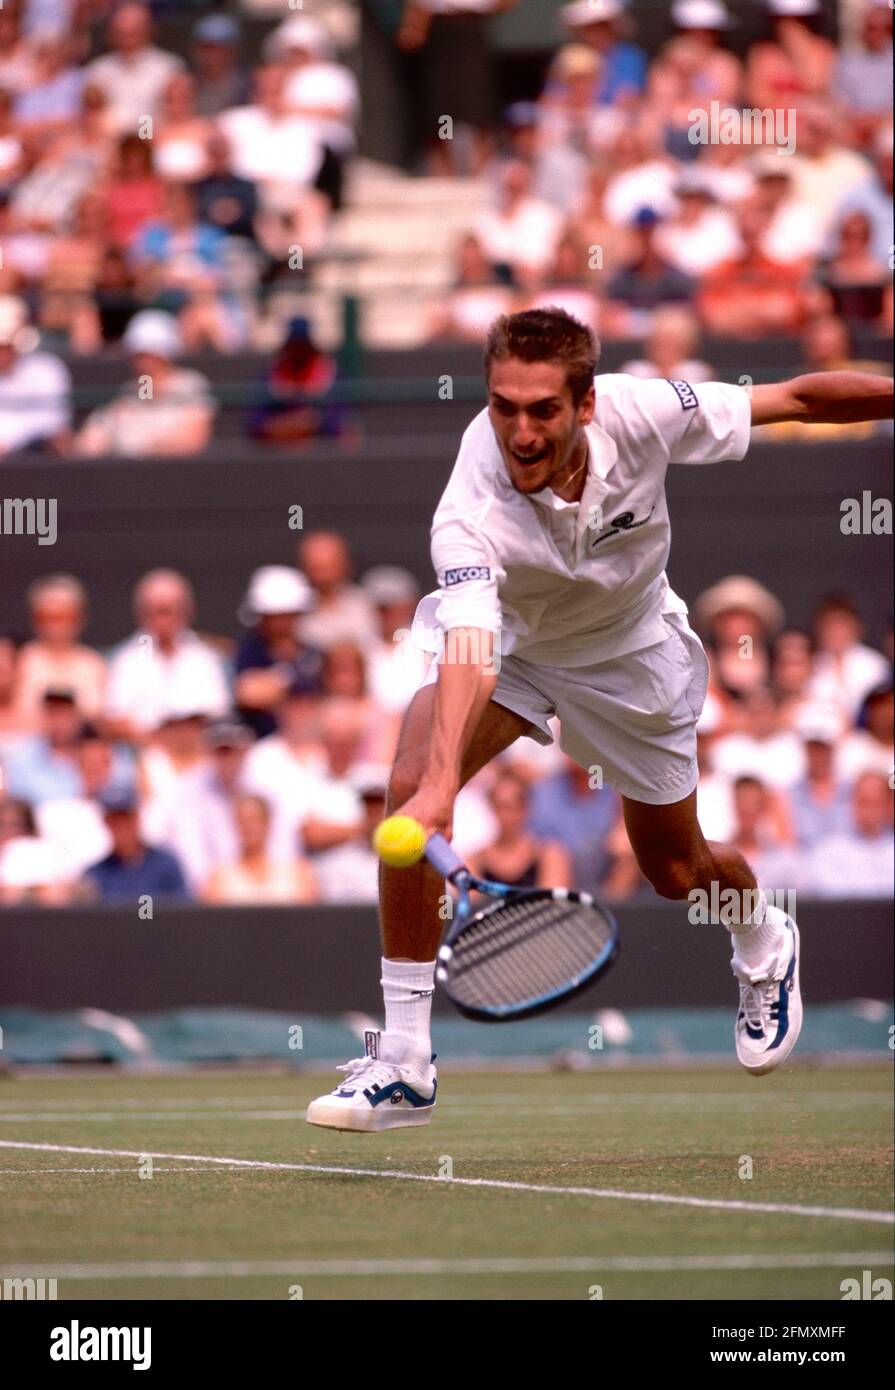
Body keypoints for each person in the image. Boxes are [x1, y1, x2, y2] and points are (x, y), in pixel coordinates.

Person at [306, 307, 892, 1132]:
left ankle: (762, 936)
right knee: (409, 785)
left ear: (584, 405)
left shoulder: (646, 411)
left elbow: (795, 399)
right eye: (502, 405)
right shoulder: (468, 510)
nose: (519, 430)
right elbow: (470, 651)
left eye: (541, 408)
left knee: (676, 872)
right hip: (510, 648)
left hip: (630, 659)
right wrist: (438, 787)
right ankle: (404, 1060)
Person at [104, 569, 230, 742]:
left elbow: (218, 713)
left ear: (186, 611)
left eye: (169, 610)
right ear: (142, 613)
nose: (164, 619)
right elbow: (114, 719)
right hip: (142, 755)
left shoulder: (206, 657)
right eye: (157, 611)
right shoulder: (125, 661)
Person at [73, 310, 217, 457]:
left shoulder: (189, 384)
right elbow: (90, 442)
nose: (142, 363)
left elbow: (194, 440)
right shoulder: (137, 389)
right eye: (138, 356)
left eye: (148, 355)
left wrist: (144, 446)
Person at [201, 793, 319, 905]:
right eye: (243, 821)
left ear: (268, 824)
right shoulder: (219, 878)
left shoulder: (297, 874)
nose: (249, 828)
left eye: (255, 820)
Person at [467, 769, 571, 891]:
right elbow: (472, 904)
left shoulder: (550, 856)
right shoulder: (475, 861)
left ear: (526, 808)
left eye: (510, 807)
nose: (505, 816)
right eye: (499, 806)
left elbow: (553, 901)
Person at [84, 787, 190, 903]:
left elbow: (181, 914)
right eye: (114, 820)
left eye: (125, 818)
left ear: (137, 818)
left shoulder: (165, 866)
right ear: (106, 823)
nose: (121, 827)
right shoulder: (96, 875)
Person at [0, 294, 71, 456]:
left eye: (4, 346)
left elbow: (55, 421)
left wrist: (10, 441)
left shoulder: (46, 369)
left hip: (34, 453)